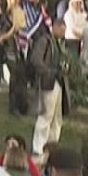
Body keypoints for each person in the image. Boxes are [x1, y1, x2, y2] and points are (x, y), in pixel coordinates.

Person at [29, 24, 64, 154]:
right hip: (47, 81)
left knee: (57, 117)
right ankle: (38, 146)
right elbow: (36, 59)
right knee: (45, 115)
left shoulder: (57, 43)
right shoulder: (44, 40)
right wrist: (48, 72)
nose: (63, 32)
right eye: (61, 29)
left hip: (57, 82)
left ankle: (52, 145)